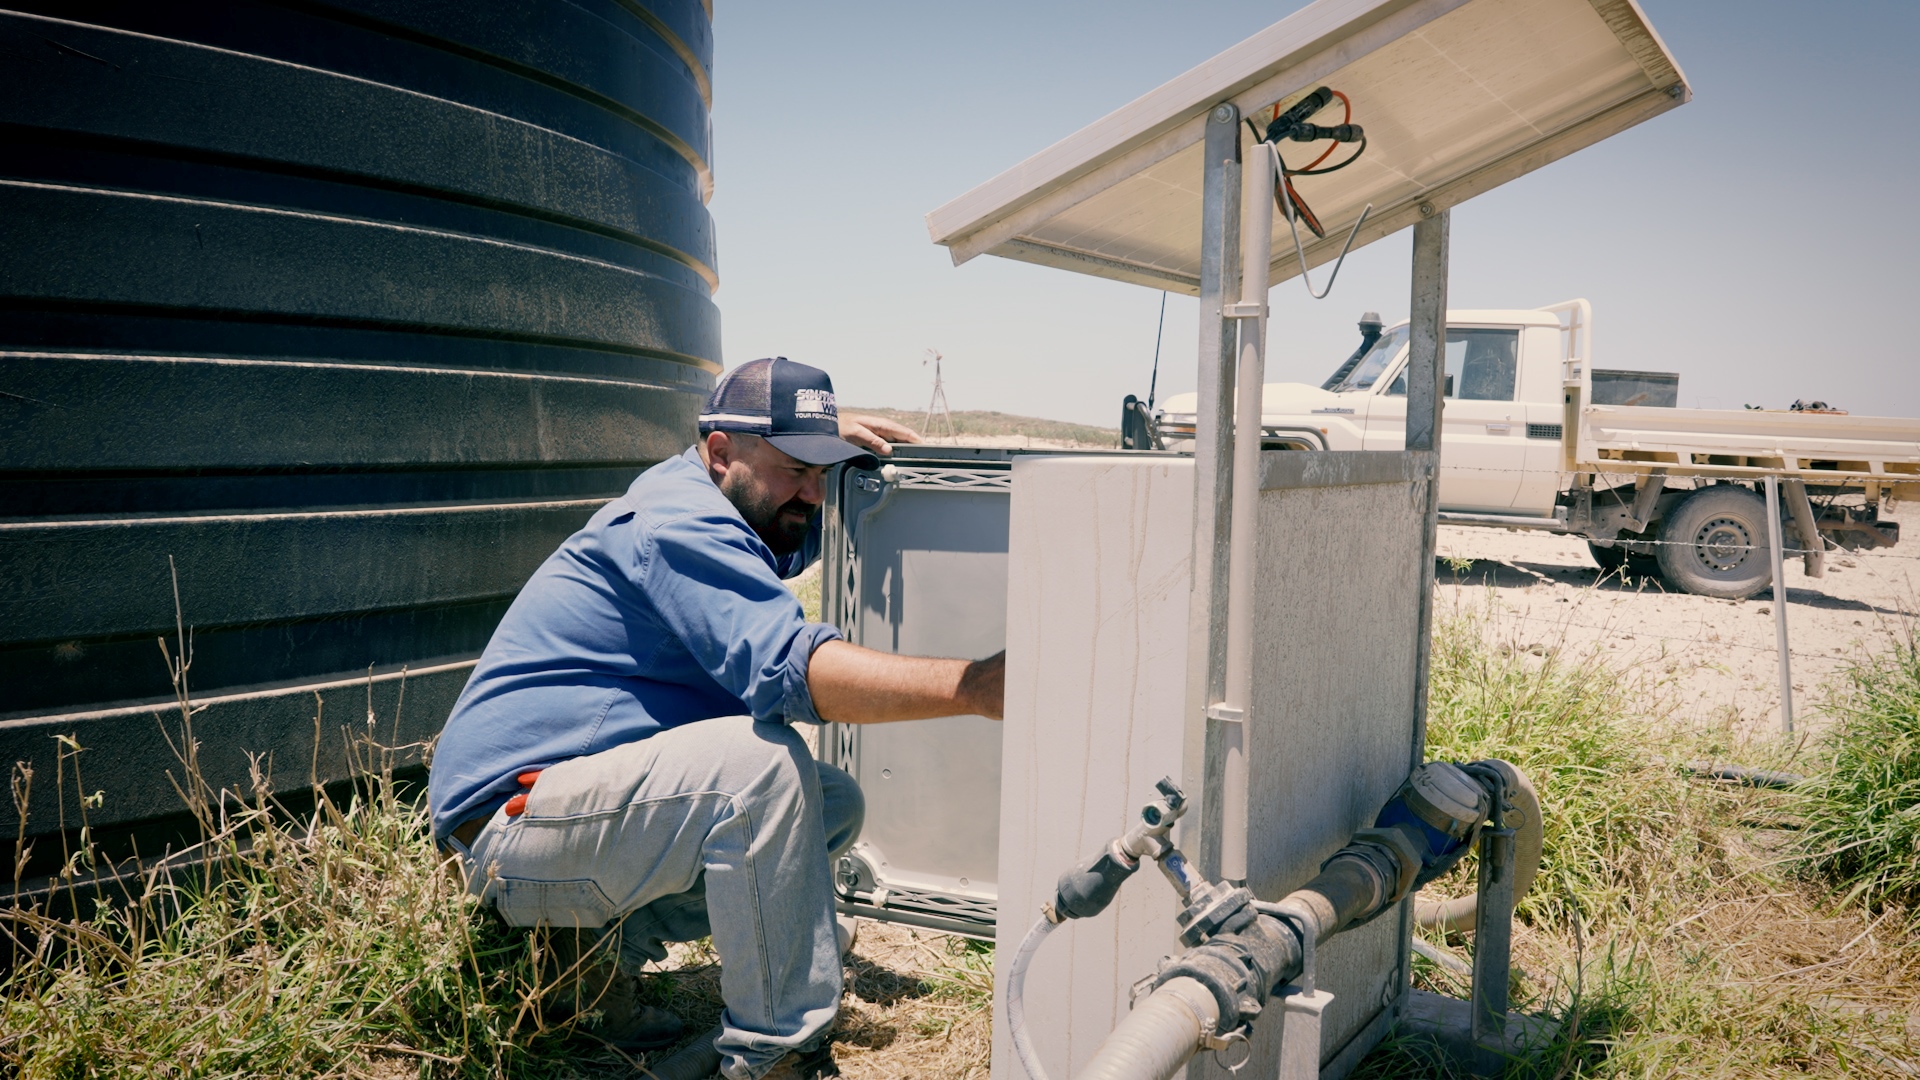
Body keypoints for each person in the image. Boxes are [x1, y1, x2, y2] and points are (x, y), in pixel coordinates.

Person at [427, 357, 1005, 1080]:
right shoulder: (676, 521)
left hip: (568, 814)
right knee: (757, 765)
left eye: (823, 473)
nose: (814, 491)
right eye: (797, 466)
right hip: (512, 828)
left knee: (829, 802)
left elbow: (791, 523)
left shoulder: (719, 500)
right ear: (721, 451)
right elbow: (789, 673)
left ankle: (588, 976)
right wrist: (975, 685)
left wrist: (831, 451)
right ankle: (775, 1054)